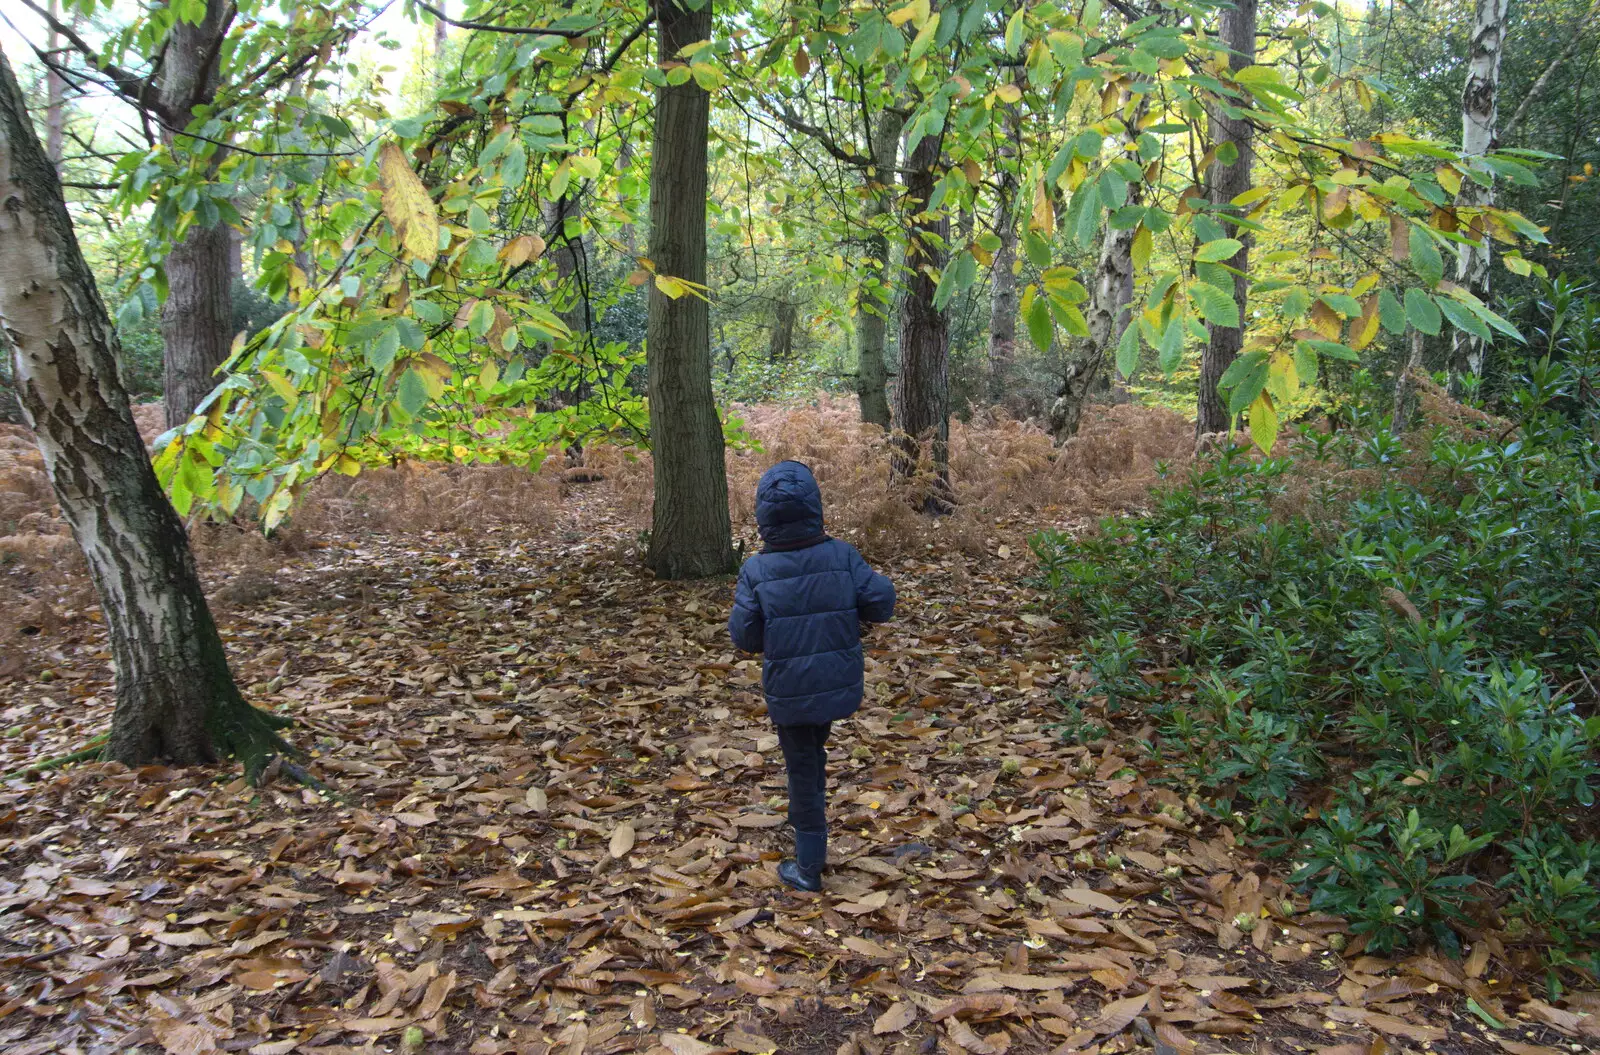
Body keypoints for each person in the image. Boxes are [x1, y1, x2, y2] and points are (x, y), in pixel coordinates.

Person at [728, 461, 896, 892]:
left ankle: (807, 867)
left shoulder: (756, 570)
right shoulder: (841, 555)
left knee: (802, 764)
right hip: (837, 680)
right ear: (815, 508)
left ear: (764, 517)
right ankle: (808, 823)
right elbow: (880, 604)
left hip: (789, 687)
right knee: (810, 752)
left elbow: (745, 636)